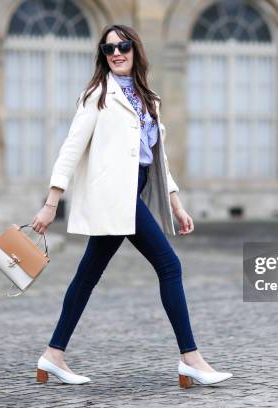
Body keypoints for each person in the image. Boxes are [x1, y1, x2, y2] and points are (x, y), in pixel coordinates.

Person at [30, 24, 232, 388]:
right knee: (169, 265)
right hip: (114, 198)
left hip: (132, 195)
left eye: (123, 46)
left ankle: (53, 354)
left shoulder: (148, 98)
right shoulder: (98, 94)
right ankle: (191, 359)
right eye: (109, 49)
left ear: (135, 49)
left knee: (87, 276)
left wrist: (176, 204)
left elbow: (157, 159)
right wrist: (51, 203)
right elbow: (71, 149)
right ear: (103, 56)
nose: (117, 53)